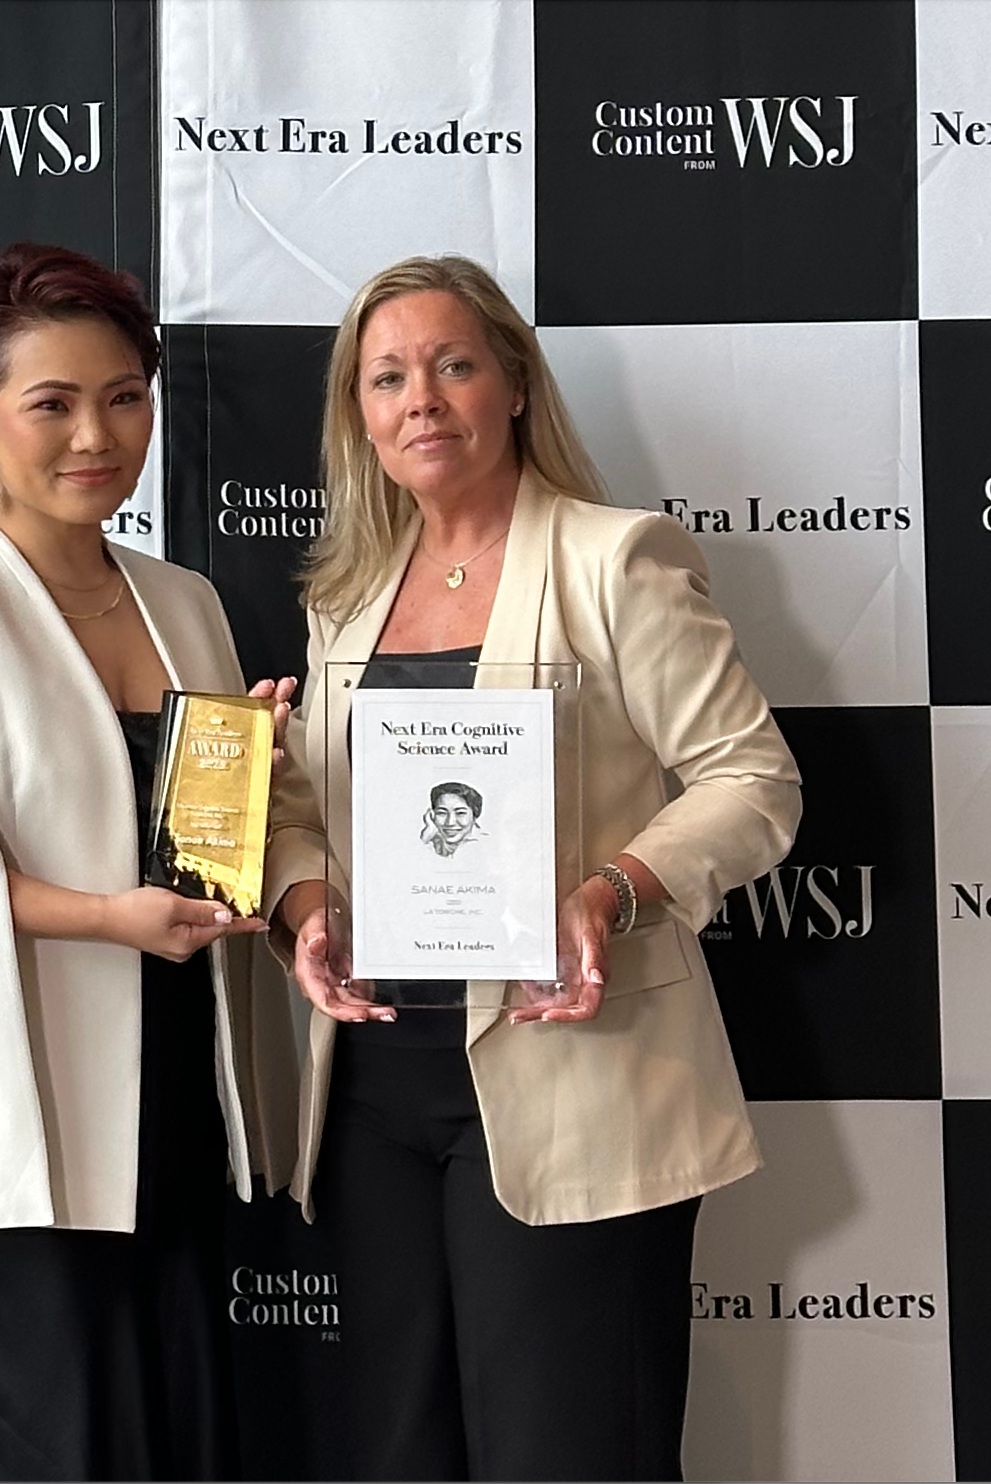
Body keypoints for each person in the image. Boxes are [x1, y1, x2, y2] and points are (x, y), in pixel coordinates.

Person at [274, 256, 802, 1482]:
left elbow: (752, 779)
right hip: (372, 1093)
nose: (420, 398)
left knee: (568, 1452)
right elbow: (304, 804)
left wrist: (609, 891)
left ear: (512, 383)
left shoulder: (614, 560)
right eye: (386, 377)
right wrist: (304, 904)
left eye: (452, 364)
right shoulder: (345, 595)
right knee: (397, 1454)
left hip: (572, 1067)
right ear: (359, 415)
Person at [0, 242, 323, 1482]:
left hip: (172, 1090)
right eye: (51, 402)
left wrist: (251, 780)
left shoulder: (185, 601)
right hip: (15, 1106)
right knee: (36, 1440)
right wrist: (110, 916)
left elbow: (199, 842)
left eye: (123, 396)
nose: (96, 434)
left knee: (170, 1434)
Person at [422, 781, 485, 856]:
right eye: (442, 813)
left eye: (460, 813)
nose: (450, 823)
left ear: (475, 815)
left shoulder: (485, 845)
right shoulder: (430, 844)